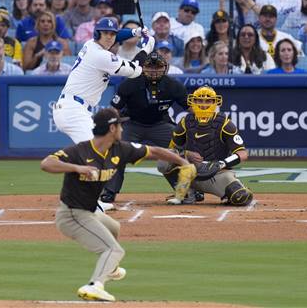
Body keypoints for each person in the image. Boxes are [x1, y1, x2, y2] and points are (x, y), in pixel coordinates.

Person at [41, 107, 194, 302]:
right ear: (112, 128)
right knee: (114, 249)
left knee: (114, 226)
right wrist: (77, 167)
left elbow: (154, 150)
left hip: (88, 212)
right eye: (120, 124)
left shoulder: (120, 149)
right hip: (71, 215)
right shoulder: (79, 151)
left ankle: (110, 268)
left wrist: (183, 162)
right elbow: (46, 163)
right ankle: (95, 286)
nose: (123, 128)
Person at [100, 52, 189, 203]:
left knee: (182, 149)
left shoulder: (173, 86)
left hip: (160, 124)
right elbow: (114, 109)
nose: (154, 70)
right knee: (116, 149)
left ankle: (187, 189)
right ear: (143, 68)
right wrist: (113, 128)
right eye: (150, 67)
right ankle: (109, 191)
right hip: (132, 124)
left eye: (158, 67)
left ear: (165, 68)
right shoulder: (130, 83)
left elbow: (190, 108)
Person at [52, 16, 155, 145]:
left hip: (74, 108)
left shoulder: (90, 44)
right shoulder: (102, 56)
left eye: (112, 33)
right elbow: (134, 70)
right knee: (98, 148)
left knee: (97, 148)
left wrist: (135, 32)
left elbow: (115, 38)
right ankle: (56, 164)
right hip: (72, 111)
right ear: (97, 34)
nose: (109, 37)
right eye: (105, 33)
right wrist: (146, 49)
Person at [158, 85, 253, 205]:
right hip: (190, 173)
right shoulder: (185, 122)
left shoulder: (225, 124)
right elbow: (170, 151)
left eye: (208, 101)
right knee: (164, 160)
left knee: (240, 196)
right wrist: (186, 154)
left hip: (218, 174)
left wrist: (221, 164)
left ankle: (232, 188)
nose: (203, 104)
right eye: (199, 100)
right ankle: (186, 193)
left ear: (215, 102)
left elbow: (242, 153)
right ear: (193, 102)